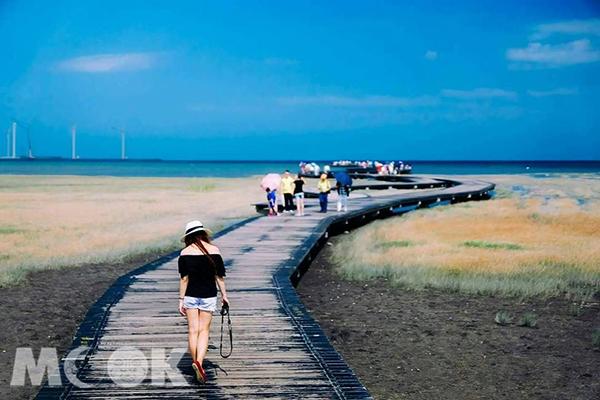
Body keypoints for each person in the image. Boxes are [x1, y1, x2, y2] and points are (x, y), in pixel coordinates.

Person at [178, 220, 229, 384]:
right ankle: (199, 362)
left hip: (191, 295)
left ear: (188, 237)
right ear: (203, 234)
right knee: (204, 330)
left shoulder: (184, 253)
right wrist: (224, 296)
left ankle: (196, 363)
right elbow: (219, 277)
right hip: (209, 295)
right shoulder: (214, 250)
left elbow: (184, 279)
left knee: (193, 331)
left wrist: (180, 300)